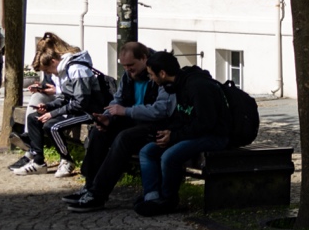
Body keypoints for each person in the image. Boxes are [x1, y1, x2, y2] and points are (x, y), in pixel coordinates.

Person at [64, 42, 175, 213]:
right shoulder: (129, 75)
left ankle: (98, 193)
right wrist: (108, 117)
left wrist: (126, 111)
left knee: (124, 138)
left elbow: (161, 110)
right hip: (133, 120)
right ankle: (90, 186)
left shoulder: (159, 71)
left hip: (155, 126)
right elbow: (119, 99)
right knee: (98, 132)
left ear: (144, 59)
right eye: (124, 66)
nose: (128, 70)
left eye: (131, 65)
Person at [134, 50, 228, 216]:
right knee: (147, 151)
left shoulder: (197, 87)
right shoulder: (178, 86)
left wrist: (174, 136)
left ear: (162, 73)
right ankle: (152, 196)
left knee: (169, 156)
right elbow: (183, 117)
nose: (151, 79)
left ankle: (168, 200)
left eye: (151, 75)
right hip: (193, 133)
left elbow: (205, 123)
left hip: (214, 136)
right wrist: (168, 132)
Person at [12, 34, 104, 178]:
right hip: (75, 109)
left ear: (54, 61)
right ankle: (38, 162)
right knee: (33, 118)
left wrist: (53, 114)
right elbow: (64, 97)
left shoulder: (77, 69)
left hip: (89, 112)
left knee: (52, 126)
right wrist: (48, 107)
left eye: (48, 71)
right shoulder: (63, 70)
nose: (49, 74)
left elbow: (81, 103)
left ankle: (66, 160)